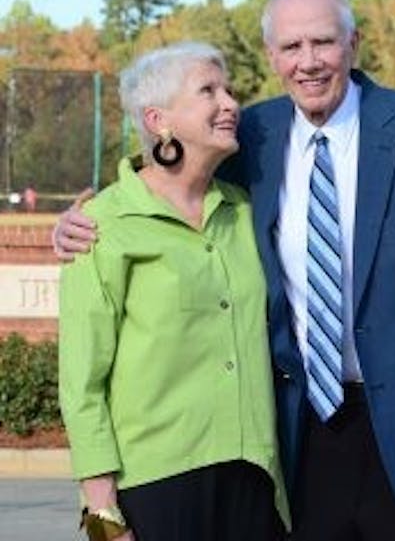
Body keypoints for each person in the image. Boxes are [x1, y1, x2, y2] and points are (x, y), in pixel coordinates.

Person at [56, 0, 395, 540]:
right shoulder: (255, 135)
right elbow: (171, 165)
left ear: (353, 44)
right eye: (291, 47)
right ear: (272, 56)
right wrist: (90, 215)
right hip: (303, 446)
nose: (308, 62)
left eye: (323, 42)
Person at [57, 42, 288, 541]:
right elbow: (82, 385)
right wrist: (103, 524)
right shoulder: (103, 225)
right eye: (208, 91)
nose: (230, 103)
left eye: (228, 90)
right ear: (158, 119)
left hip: (254, 479)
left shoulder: (246, 212)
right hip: (153, 487)